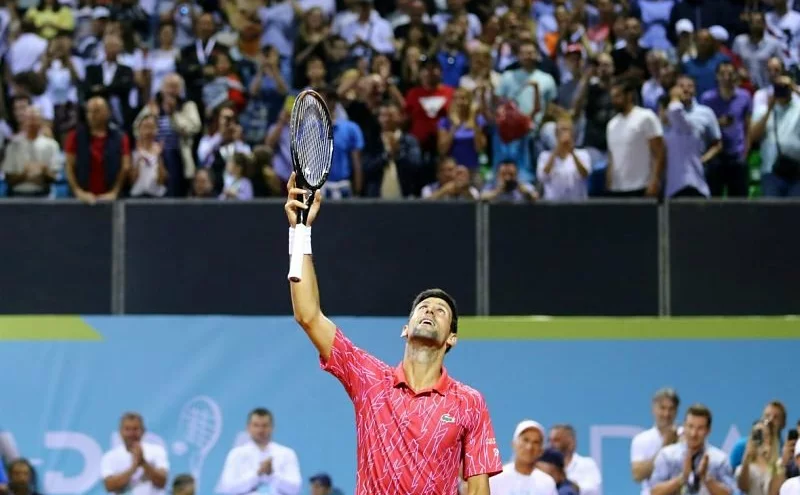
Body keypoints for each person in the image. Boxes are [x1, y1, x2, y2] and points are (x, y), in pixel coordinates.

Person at [284, 170, 503, 494]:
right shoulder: (369, 379)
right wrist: (300, 231)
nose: (430, 310)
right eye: (423, 307)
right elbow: (309, 316)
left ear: (451, 338)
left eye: (440, 311)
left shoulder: (469, 402)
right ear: (405, 329)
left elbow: (477, 488)